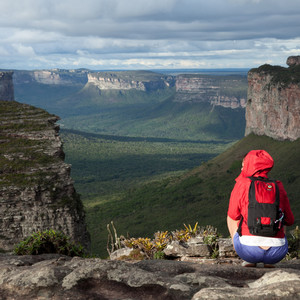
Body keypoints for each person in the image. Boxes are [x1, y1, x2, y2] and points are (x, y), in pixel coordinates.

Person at [227, 150, 294, 267]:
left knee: (232, 215)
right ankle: (269, 261)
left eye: (244, 166)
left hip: (248, 251)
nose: (242, 169)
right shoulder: (278, 186)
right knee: (280, 214)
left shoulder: (242, 184)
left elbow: (233, 216)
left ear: (249, 165)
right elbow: (290, 221)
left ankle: (248, 258)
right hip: (277, 253)